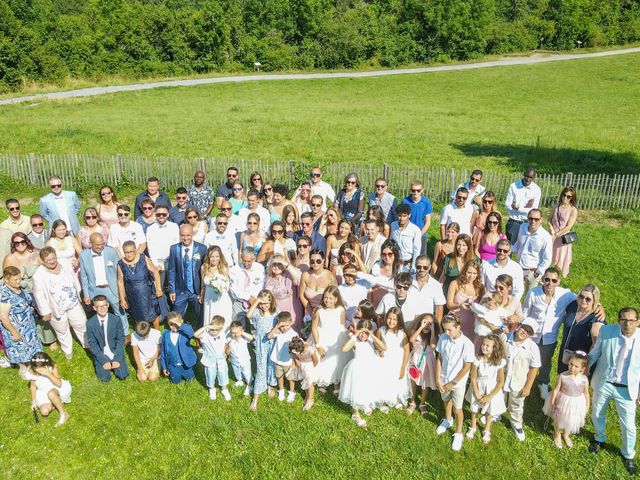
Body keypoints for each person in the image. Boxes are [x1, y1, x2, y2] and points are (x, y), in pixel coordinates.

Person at [588, 307, 640, 475]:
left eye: (632, 320)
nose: (628, 324)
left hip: (627, 389)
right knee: (597, 413)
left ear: (638, 322)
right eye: (624, 320)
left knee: (629, 426)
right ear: (619, 320)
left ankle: (628, 455)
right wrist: (584, 370)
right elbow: (595, 353)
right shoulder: (607, 331)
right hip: (605, 382)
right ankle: (599, 438)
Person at [522, 266, 578, 400]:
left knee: (545, 362)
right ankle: (523, 381)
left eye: (553, 280)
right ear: (542, 280)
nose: (550, 283)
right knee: (525, 359)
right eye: (547, 279)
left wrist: (598, 306)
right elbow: (525, 312)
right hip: (531, 335)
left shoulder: (565, 294)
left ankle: (543, 383)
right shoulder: (534, 293)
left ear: (558, 281)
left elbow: (582, 298)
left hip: (549, 337)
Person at [32, 247, 87, 360]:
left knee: (81, 323)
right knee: (62, 330)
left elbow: (73, 277)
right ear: (43, 261)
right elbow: (39, 295)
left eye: (53, 258)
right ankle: (68, 350)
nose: (52, 261)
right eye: (48, 260)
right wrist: (45, 312)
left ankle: (87, 344)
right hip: (56, 307)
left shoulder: (64, 264)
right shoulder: (38, 275)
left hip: (73, 302)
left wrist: (79, 290)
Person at [435, 313, 475, 451]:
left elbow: (466, 367)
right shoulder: (443, 338)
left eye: (449, 330)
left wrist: (453, 382)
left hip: (457, 383)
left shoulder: (467, 344)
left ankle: (458, 434)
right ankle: (447, 420)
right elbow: (439, 358)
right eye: (445, 329)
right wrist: (438, 378)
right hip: (443, 378)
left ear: (458, 327)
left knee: (457, 409)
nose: (446, 332)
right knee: (446, 401)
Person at [339, 319, 387, 427]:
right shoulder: (355, 341)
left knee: (367, 386)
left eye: (366, 333)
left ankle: (365, 404)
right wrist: (355, 335)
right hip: (357, 368)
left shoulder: (371, 339)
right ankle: (355, 414)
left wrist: (372, 335)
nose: (363, 335)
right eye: (361, 332)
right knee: (356, 389)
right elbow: (344, 349)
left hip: (370, 367)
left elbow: (384, 347)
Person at [79, 233, 129, 334]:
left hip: (111, 288)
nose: (100, 246)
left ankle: (125, 333)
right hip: (95, 289)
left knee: (120, 311)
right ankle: (105, 333)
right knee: (99, 312)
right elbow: (84, 277)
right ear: (90, 244)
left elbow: (119, 273)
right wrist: (86, 294)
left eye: (102, 244)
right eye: (97, 244)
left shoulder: (110, 252)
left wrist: (122, 291)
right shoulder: (83, 255)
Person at [501, 322, 540, 442]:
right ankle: (496, 414)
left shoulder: (532, 347)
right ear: (519, 326)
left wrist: (528, 387)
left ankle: (516, 423)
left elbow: (534, 368)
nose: (524, 332)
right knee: (499, 397)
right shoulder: (504, 337)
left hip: (518, 381)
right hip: (502, 378)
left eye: (528, 332)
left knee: (516, 404)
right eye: (524, 328)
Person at [542, 351, 589, 449]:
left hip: (576, 403)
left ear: (582, 369)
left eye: (576, 366)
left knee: (571, 420)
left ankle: (566, 434)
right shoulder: (563, 376)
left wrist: (587, 405)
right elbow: (556, 390)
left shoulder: (584, 379)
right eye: (571, 364)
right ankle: (557, 434)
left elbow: (586, 393)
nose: (572, 368)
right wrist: (553, 401)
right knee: (559, 418)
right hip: (563, 401)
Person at [465, 334, 506, 444]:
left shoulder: (499, 362)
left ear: (494, 348)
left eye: (487, 345)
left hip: (492, 389)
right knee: (474, 408)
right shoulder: (478, 359)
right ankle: (473, 426)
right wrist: (477, 394)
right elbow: (473, 378)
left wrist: (490, 396)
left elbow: (501, 381)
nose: (484, 347)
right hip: (478, 386)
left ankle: (487, 429)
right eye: (483, 344)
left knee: (489, 410)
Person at [0, 266, 43, 369]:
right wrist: (14, 332)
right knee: (22, 354)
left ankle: (34, 368)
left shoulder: (17, 288)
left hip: (28, 327)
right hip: (17, 329)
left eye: (20, 278)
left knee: (33, 352)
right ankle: (26, 373)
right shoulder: (5, 294)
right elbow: (3, 317)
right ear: (6, 280)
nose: (19, 281)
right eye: (15, 280)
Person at [557, 284, 604, 374]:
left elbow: (595, 344)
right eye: (581, 296)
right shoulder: (573, 306)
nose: (583, 300)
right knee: (562, 378)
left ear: (595, 300)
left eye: (588, 299)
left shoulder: (596, 318)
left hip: (581, 360)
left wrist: (587, 365)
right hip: (566, 353)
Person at [311, 285, 349, 393]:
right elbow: (314, 327)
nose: (327, 300)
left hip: (336, 338)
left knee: (336, 360)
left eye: (331, 298)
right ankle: (324, 381)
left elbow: (342, 326)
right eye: (326, 298)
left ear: (336, 299)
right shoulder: (319, 311)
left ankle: (336, 382)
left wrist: (347, 336)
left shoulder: (341, 310)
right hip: (323, 337)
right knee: (324, 360)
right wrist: (318, 345)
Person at [117, 240, 162, 328]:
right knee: (138, 316)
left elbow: (155, 271)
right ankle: (142, 334)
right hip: (133, 295)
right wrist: (122, 299)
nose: (129, 254)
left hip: (148, 292)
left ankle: (157, 334)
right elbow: (120, 282)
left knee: (153, 314)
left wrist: (159, 288)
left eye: (131, 251)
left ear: (135, 250)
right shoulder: (121, 264)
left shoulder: (143, 258)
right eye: (126, 252)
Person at [167, 224, 207, 325]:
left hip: (196, 290)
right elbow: (171, 270)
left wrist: (203, 290)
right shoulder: (174, 249)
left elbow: (205, 270)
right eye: (183, 235)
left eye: (188, 235)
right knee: (176, 315)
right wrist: (172, 290)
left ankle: (199, 334)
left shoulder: (202, 248)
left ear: (193, 234)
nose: (185, 238)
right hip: (180, 289)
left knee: (200, 315)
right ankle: (177, 333)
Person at [247, 290, 279, 411]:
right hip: (261, 343)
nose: (264, 306)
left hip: (272, 342)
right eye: (262, 303)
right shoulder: (257, 312)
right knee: (261, 367)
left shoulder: (275, 312)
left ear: (271, 302)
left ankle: (270, 385)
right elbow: (248, 315)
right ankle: (255, 398)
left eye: (267, 303)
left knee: (272, 365)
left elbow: (281, 323)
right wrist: (257, 302)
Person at [86, 295, 129, 382]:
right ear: (94, 308)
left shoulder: (116, 320)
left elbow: (121, 340)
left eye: (104, 305)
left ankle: (114, 362)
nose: (102, 308)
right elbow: (93, 344)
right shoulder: (90, 323)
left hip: (114, 351)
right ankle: (106, 363)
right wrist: (103, 360)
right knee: (104, 379)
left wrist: (117, 358)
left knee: (123, 375)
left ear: (108, 305)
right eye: (99, 306)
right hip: (102, 353)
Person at [377, 307, 412, 410]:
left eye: (394, 319)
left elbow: (406, 351)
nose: (391, 321)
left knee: (397, 379)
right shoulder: (381, 331)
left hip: (397, 360)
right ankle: (383, 400)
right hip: (384, 360)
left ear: (399, 320)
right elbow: (376, 344)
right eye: (389, 318)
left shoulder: (402, 334)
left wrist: (402, 368)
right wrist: (379, 351)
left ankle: (395, 398)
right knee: (384, 379)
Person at [513, 208, 553, 294]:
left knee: (529, 298)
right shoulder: (522, 227)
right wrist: (508, 249)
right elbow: (518, 244)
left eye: (536, 219)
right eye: (530, 218)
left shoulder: (545, 237)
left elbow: (547, 259)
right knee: (514, 294)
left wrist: (538, 272)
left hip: (532, 271)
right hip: (519, 268)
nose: (533, 221)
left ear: (541, 220)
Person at [26, 352, 71, 427]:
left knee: (51, 394)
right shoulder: (33, 371)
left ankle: (63, 414)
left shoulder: (52, 368)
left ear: (46, 365)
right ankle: (55, 403)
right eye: (36, 368)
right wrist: (33, 401)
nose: (37, 370)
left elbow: (59, 384)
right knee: (44, 412)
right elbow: (33, 386)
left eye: (40, 368)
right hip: (43, 392)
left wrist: (48, 374)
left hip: (57, 389)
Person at [447, 260, 485, 342]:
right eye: (469, 272)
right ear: (464, 271)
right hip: (454, 325)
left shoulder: (480, 287)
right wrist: (459, 305)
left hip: (471, 327)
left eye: (474, 273)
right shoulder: (455, 284)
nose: (471, 276)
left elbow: (484, 307)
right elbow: (449, 305)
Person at [195, 316, 231, 401]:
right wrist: (207, 327)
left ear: (221, 328)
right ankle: (212, 388)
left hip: (221, 358)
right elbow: (195, 334)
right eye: (213, 329)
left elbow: (224, 344)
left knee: (223, 373)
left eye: (217, 330)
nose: (214, 332)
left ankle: (224, 388)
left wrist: (225, 351)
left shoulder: (222, 334)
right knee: (210, 374)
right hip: (210, 358)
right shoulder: (206, 335)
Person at [407, 314, 437, 416]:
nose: (427, 325)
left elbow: (433, 346)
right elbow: (411, 339)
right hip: (416, 358)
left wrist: (433, 331)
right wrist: (420, 327)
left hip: (427, 360)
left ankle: (422, 403)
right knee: (414, 380)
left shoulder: (433, 335)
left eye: (430, 323)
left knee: (425, 382)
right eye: (425, 322)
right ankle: (412, 400)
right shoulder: (416, 331)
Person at [264, 254, 303, 332]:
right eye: (274, 264)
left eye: (279, 264)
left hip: (291, 309)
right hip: (276, 310)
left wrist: (285, 263)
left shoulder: (289, 275)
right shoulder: (268, 277)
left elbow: (298, 278)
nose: (276, 266)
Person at [146, 205, 180, 289]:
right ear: (155, 214)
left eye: (164, 214)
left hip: (172, 261)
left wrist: (175, 262)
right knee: (159, 288)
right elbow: (150, 248)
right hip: (158, 262)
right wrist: (155, 264)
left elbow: (177, 244)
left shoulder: (174, 226)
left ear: (168, 214)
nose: (161, 216)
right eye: (158, 214)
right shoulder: (150, 229)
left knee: (173, 287)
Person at [229, 248, 265, 326]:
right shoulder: (234, 270)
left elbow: (261, 285)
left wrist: (255, 299)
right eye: (244, 260)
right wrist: (248, 297)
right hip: (240, 302)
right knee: (237, 326)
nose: (245, 263)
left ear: (254, 259)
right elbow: (233, 289)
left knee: (256, 327)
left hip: (255, 302)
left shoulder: (260, 268)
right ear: (241, 257)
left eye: (249, 261)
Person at [505, 168, 541, 245]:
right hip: (514, 222)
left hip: (527, 223)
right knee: (509, 248)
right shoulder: (514, 186)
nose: (528, 179)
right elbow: (507, 206)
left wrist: (518, 208)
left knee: (525, 248)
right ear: (524, 174)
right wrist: (526, 208)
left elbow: (534, 211)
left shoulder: (536, 189)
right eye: (527, 176)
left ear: (534, 178)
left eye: (531, 177)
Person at [267, 312, 298, 403]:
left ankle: (292, 392)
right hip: (278, 360)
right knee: (279, 376)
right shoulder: (278, 332)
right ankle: (281, 390)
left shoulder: (294, 334)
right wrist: (277, 326)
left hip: (288, 361)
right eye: (282, 325)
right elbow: (269, 336)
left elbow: (296, 351)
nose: (284, 328)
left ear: (291, 322)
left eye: (287, 325)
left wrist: (294, 362)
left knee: (290, 378)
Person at [200, 246, 232, 331]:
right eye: (212, 257)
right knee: (210, 316)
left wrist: (220, 286)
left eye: (217, 256)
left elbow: (227, 283)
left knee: (221, 315)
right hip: (209, 297)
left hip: (221, 297)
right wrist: (202, 294)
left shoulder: (224, 268)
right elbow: (203, 284)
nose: (214, 259)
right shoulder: (204, 267)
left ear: (220, 257)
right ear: (208, 257)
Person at [549, 186, 578, 277]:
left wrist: (557, 234)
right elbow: (549, 219)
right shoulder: (556, 206)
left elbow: (569, 226)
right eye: (564, 195)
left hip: (563, 238)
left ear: (572, 198)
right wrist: (551, 229)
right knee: (548, 257)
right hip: (552, 234)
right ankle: (546, 276)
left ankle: (555, 278)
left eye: (568, 196)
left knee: (559, 260)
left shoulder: (573, 210)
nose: (565, 198)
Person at [161, 312, 197, 384]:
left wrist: (180, 325)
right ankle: (176, 374)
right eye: (171, 324)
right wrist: (164, 367)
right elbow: (163, 351)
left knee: (190, 380)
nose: (174, 326)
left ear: (182, 322)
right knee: (175, 382)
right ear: (168, 324)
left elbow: (192, 333)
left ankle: (189, 373)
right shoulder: (166, 334)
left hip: (186, 364)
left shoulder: (185, 332)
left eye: (176, 324)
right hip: (173, 365)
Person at [299, 249, 336, 316]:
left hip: (326, 311)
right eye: (312, 261)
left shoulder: (330, 276)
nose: (315, 263)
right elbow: (301, 295)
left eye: (318, 261)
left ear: (323, 261)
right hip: (309, 310)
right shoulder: (305, 275)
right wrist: (311, 312)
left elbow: (335, 296)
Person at [411, 255, 446, 326]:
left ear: (430, 267)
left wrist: (437, 327)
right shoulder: (408, 281)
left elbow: (439, 308)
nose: (422, 269)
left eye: (425, 267)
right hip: (409, 322)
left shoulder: (436, 285)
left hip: (426, 325)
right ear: (415, 266)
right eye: (418, 267)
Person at [288, 336, 319, 410]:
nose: (295, 353)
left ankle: (310, 400)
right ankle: (307, 395)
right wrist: (298, 363)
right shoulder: (296, 348)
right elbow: (295, 356)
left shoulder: (310, 350)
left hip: (310, 366)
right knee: (305, 381)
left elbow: (316, 361)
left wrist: (310, 369)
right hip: (302, 365)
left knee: (309, 383)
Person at [402, 181, 432, 254]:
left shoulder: (426, 202)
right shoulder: (405, 201)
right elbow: (402, 218)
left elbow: (428, 222)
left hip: (421, 234)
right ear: (410, 191)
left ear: (422, 190)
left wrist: (419, 234)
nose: (416, 192)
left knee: (421, 258)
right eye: (413, 190)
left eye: (418, 190)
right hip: (408, 233)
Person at [390, 204, 421, 271]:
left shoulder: (415, 230)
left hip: (407, 264)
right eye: (399, 216)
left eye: (404, 216)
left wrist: (413, 267)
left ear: (409, 215)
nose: (401, 219)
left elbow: (416, 250)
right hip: (394, 263)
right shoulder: (393, 225)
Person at [226, 320, 254, 396]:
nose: (235, 335)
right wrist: (229, 346)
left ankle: (249, 385)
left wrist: (242, 333)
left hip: (245, 361)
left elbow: (251, 338)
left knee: (247, 373)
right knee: (237, 373)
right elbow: (227, 353)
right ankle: (240, 380)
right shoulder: (229, 340)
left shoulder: (244, 338)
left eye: (237, 332)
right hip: (234, 362)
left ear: (242, 330)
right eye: (233, 333)